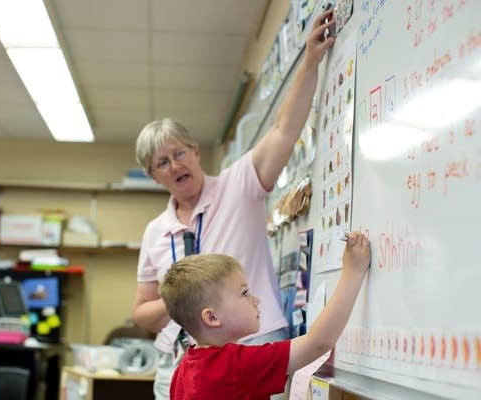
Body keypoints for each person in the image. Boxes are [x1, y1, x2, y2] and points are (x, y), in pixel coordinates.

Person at [132, 8, 337, 399]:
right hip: (185, 360)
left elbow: (283, 129)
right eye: (162, 162)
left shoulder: (239, 184)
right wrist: (182, 299)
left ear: (195, 151)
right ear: (152, 174)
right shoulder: (156, 232)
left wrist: (310, 59)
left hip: (254, 343)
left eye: (179, 153)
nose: (175, 165)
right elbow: (141, 311)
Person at [160, 232, 371, 399]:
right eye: (244, 293)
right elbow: (318, 343)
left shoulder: (182, 371)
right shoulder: (234, 365)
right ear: (212, 317)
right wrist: (353, 272)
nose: (256, 300)